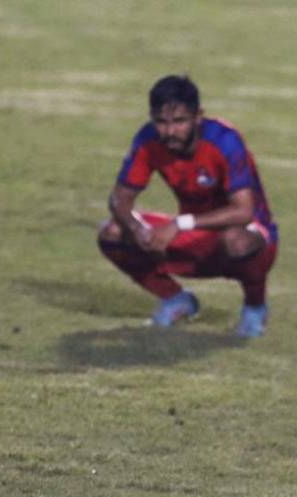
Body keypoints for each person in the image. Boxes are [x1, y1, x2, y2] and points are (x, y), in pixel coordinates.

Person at [97, 74, 279, 337]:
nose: (169, 131)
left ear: (198, 117)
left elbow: (244, 211)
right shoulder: (148, 141)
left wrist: (179, 224)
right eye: (161, 122)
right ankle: (176, 299)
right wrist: (137, 229)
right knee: (112, 232)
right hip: (194, 234)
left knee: (236, 240)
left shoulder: (224, 140)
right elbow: (119, 199)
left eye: (179, 121)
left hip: (251, 236)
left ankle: (254, 307)